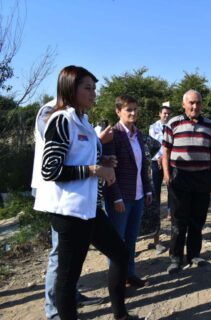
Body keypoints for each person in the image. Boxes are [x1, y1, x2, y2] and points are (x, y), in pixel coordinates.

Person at [33, 65, 136, 320]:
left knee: (121, 254)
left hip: (89, 209)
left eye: (94, 88)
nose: (93, 93)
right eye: (87, 88)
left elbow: (89, 159)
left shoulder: (84, 121)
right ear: (70, 88)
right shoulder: (61, 119)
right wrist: (94, 170)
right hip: (69, 212)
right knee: (68, 279)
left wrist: (105, 165)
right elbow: (51, 170)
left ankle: (121, 315)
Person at [31, 99, 107, 320]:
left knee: (72, 256)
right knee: (60, 255)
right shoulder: (54, 112)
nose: (93, 95)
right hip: (60, 196)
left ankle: (70, 297)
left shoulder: (78, 114)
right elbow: (58, 157)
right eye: (87, 87)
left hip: (79, 196)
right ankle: (54, 309)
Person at [162, 90, 211, 274]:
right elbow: (166, 151)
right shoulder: (173, 123)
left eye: (198, 103)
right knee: (179, 220)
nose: (195, 106)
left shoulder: (209, 125)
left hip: (202, 178)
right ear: (184, 104)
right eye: (192, 103)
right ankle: (175, 258)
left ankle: (194, 255)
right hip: (180, 177)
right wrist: (167, 175)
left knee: (197, 220)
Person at [103, 95, 153, 288]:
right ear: (118, 111)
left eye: (135, 109)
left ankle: (130, 274)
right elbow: (109, 169)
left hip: (138, 195)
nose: (133, 113)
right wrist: (116, 197)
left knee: (132, 238)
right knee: (117, 242)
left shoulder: (137, 133)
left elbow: (144, 164)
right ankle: (117, 280)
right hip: (120, 197)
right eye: (128, 110)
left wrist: (147, 190)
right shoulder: (113, 134)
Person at [146, 102, 173, 254]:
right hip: (156, 163)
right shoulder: (153, 127)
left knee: (173, 190)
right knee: (155, 195)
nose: (166, 116)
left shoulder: (173, 126)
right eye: (164, 113)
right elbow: (153, 145)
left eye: (169, 113)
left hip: (169, 162)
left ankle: (170, 212)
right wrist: (159, 158)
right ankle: (156, 238)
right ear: (160, 114)